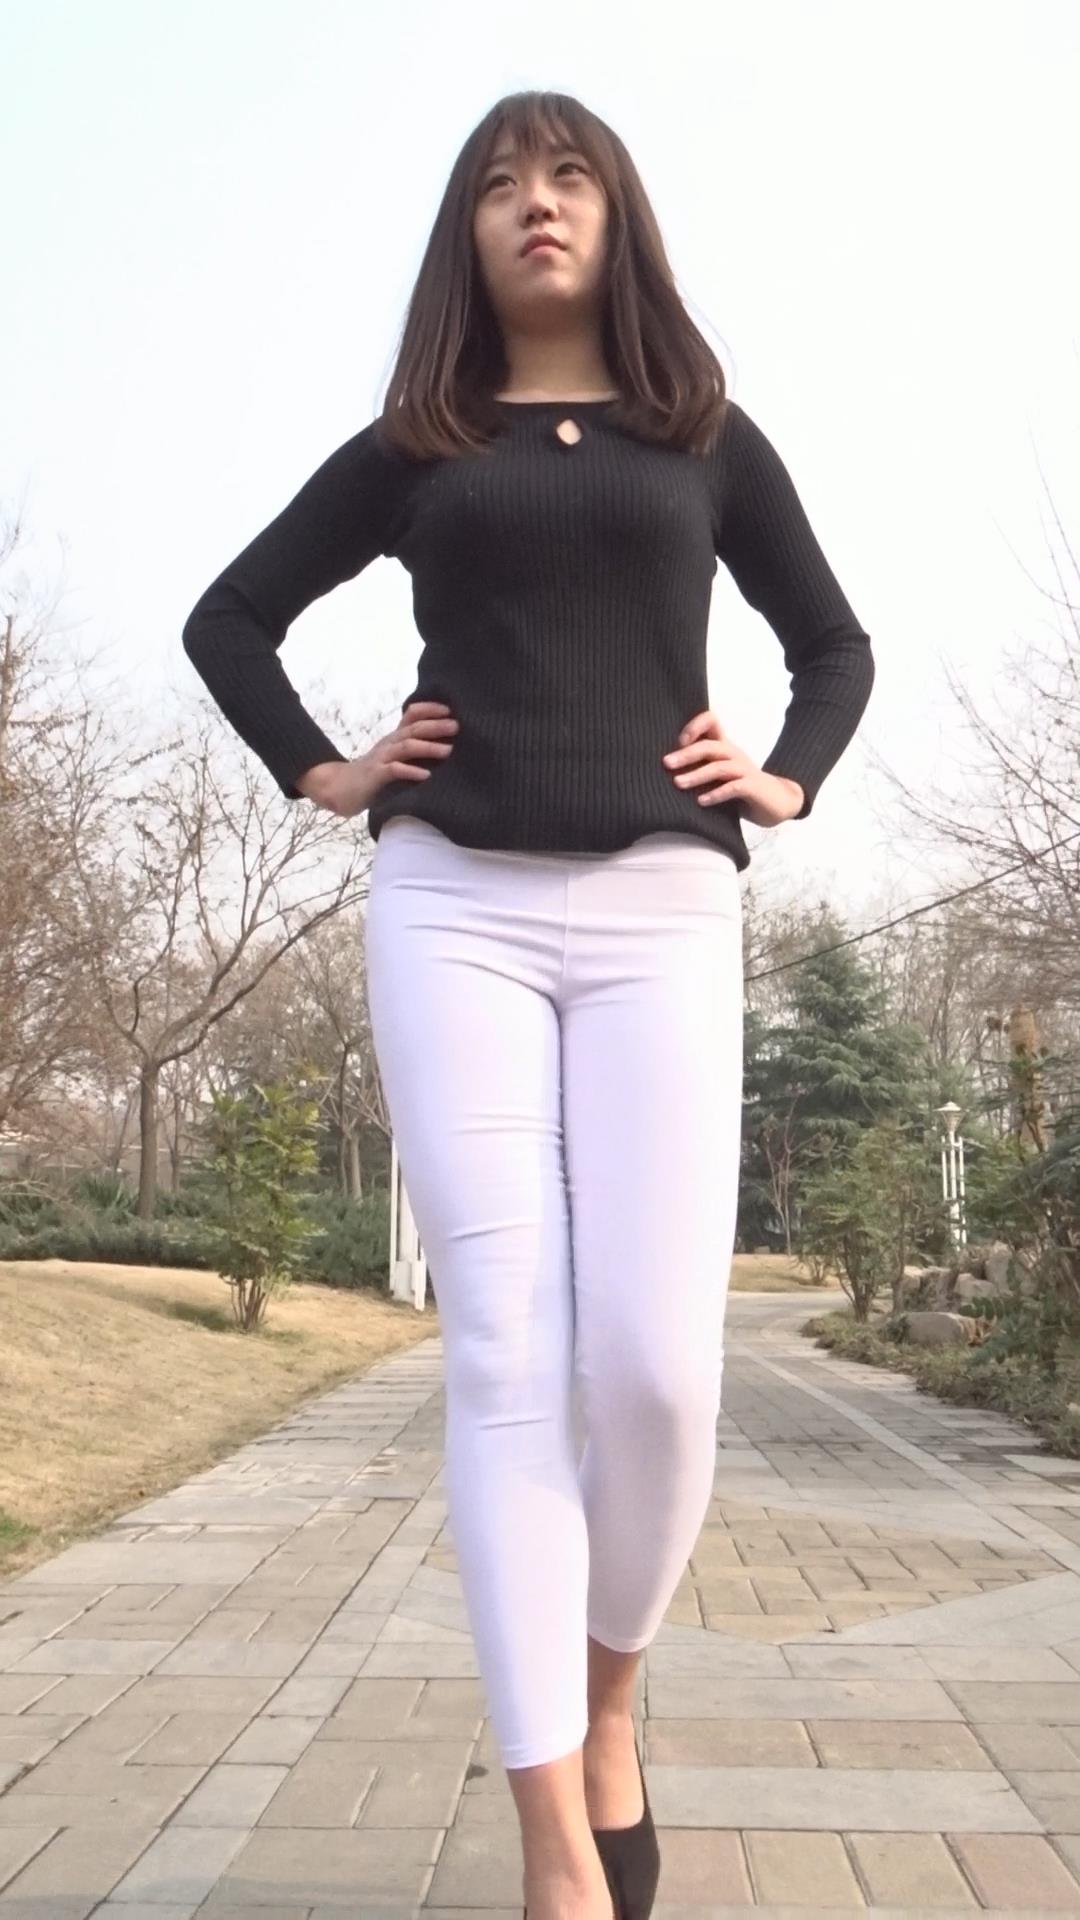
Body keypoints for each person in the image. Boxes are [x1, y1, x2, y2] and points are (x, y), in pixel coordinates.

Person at [182, 88, 874, 1920]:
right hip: (453, 907)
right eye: (500, 184)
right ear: (467, 235)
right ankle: (557, 1846)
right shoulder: (417, 446)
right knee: (503, 1356)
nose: (535, 204)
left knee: (655, 1372)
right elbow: (230, 617)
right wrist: (327, 769)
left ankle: (611, 1691)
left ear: (617, 216)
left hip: (662, 911)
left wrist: (786, 776)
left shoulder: (700, 435)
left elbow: (834, 642)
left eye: (568, 177)